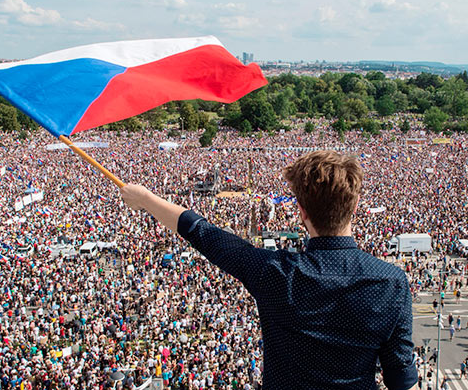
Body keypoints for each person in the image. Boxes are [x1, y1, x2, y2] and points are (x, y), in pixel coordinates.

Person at [119, 150, 419, 390]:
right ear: (354, 208)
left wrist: (146, 200)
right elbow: (402, 381)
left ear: (301, 211)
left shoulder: (275, 273)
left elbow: (202, 232)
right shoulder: (391, 283)